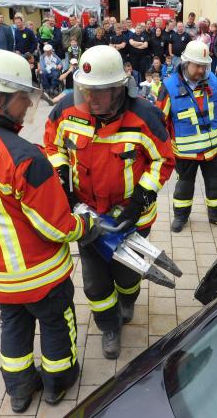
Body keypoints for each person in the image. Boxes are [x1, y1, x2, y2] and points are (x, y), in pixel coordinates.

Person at [0, 49, 99, 412]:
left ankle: (19, 391)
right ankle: (59, 382)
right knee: (57, 326)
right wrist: (86, 225)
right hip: (39, 273)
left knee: (13, 325)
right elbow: (57, 227)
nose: (27, 107)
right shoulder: (25, 157)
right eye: (21, 99)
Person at [44, 45, 175, 360]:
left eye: (100, 92)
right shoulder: (65, 111)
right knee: (94, 280)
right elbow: (52, 145)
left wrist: (140, 200)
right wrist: (63, 181)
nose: (91, 99)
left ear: (120, 88)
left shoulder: (145, 117)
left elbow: (163, 160)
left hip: (132, 218)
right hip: (86, 216)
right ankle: (109, 325)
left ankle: (127, 299)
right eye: (86, 90)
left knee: (128, 274)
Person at [156, 40, 217, 233]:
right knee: (184, 185)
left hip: (213, 148)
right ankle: (181, 217)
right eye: (198, 65)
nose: (202, 70)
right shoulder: (169, 87)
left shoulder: (214, 82)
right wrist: (164, 149)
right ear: (186, 63)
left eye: (205, 65)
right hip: (185, 152)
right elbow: (159, 121)